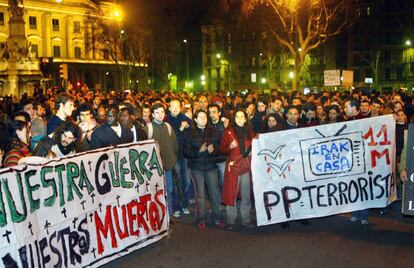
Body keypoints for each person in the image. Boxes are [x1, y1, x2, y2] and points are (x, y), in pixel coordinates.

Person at [183, 110, 224, 230]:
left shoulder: (213, 131)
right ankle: (201, 219)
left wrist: (214, 150)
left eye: (205, 117)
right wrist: (198, 152)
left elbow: (219, 148)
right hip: (196, 167)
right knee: (200, 194)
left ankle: (217, 217)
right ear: (195, 119)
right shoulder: (189, 132)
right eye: (200, 117)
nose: (203, 119)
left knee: (214, 192)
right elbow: (185, 151)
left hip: (211, 165)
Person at [220, 109, 255, 229]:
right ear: (234, 119)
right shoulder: (228, 132)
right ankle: (230, 220)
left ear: (246, 119)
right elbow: (222, 150)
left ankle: (246, 219)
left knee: (246, 195)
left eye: (242, 117)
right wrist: (229, 147)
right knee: (231, 195)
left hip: (245, 166)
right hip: (233, 167)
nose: (240, 119)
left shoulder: (250, 133)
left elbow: (255, 147)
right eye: (237, 117)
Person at [144, 103, 179, 219]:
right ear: (152, 115)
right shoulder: (148, 128)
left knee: (169, 190)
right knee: (154, 191)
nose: (160, 115)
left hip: (168, 165)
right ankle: (156, 216)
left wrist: (172, 159)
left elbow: (174, 146)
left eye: (162, 112)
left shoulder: (168, 127)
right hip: (153, 168)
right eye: (157, 112)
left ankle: (169, 215)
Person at [165, 98, 192, 217]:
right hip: (173, 155)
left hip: (185, 155)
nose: (175, 108)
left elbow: (192, 133)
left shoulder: (186, 119)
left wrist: (187, 127)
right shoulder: (166, 120)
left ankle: (184, 203)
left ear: (180, 107)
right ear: (169, 108)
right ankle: (177, 206)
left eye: (177, 106)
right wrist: (180, 130)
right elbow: (171, 138)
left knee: (186, 181)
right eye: (172, 106)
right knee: (176, 181)